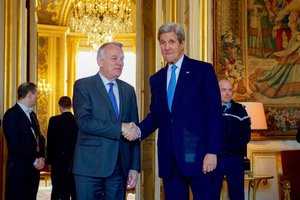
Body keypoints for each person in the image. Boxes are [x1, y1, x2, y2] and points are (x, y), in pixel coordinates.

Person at [129, 22, 223, 200]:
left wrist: (212, 152)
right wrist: (138, 130)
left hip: (200, 156)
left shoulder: (202, 70)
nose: (166, 47)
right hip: (170, 158)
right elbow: (156, 116)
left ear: (181, 44)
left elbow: (214, 114)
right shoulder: (156, 79)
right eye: (162, 42)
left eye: (171, 41)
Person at [72, 42, 140, 200]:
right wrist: (120, 128)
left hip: (119, 169)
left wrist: (134, 167)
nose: (120, 63)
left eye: (122, 59)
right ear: (100, 61)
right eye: (114, 58)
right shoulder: (83, 85)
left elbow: (134, 130)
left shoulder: (128, 90)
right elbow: (84, 121)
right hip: (89, 169)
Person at [2, 82, 46, 200]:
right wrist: (34, 160)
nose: (38, 97)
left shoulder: (32, 115)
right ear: (30, 94)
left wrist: (41, 157)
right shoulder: (11, 115)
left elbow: (39, 139)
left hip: (33, 173)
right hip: (19, 172)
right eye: (36, 94)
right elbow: (14, 144)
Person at [212, 79, 251, 200]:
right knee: (211, 194)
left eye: (230, 90)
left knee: (237, 194)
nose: (228, 93)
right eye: (223, 90)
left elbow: (246, 134)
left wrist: (235, 146)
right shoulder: (210, 109)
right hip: (214, 158)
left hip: (235, 159)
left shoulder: (240, 110)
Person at [46, 96, 78, 200]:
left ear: (59, 106)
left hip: (57, 163)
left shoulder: (54, 121)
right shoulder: (77, 121)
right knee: (74, 191)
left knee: (57, 190)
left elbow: (50, 143)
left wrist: (49, 162)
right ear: (71, 106)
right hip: (74, 164)